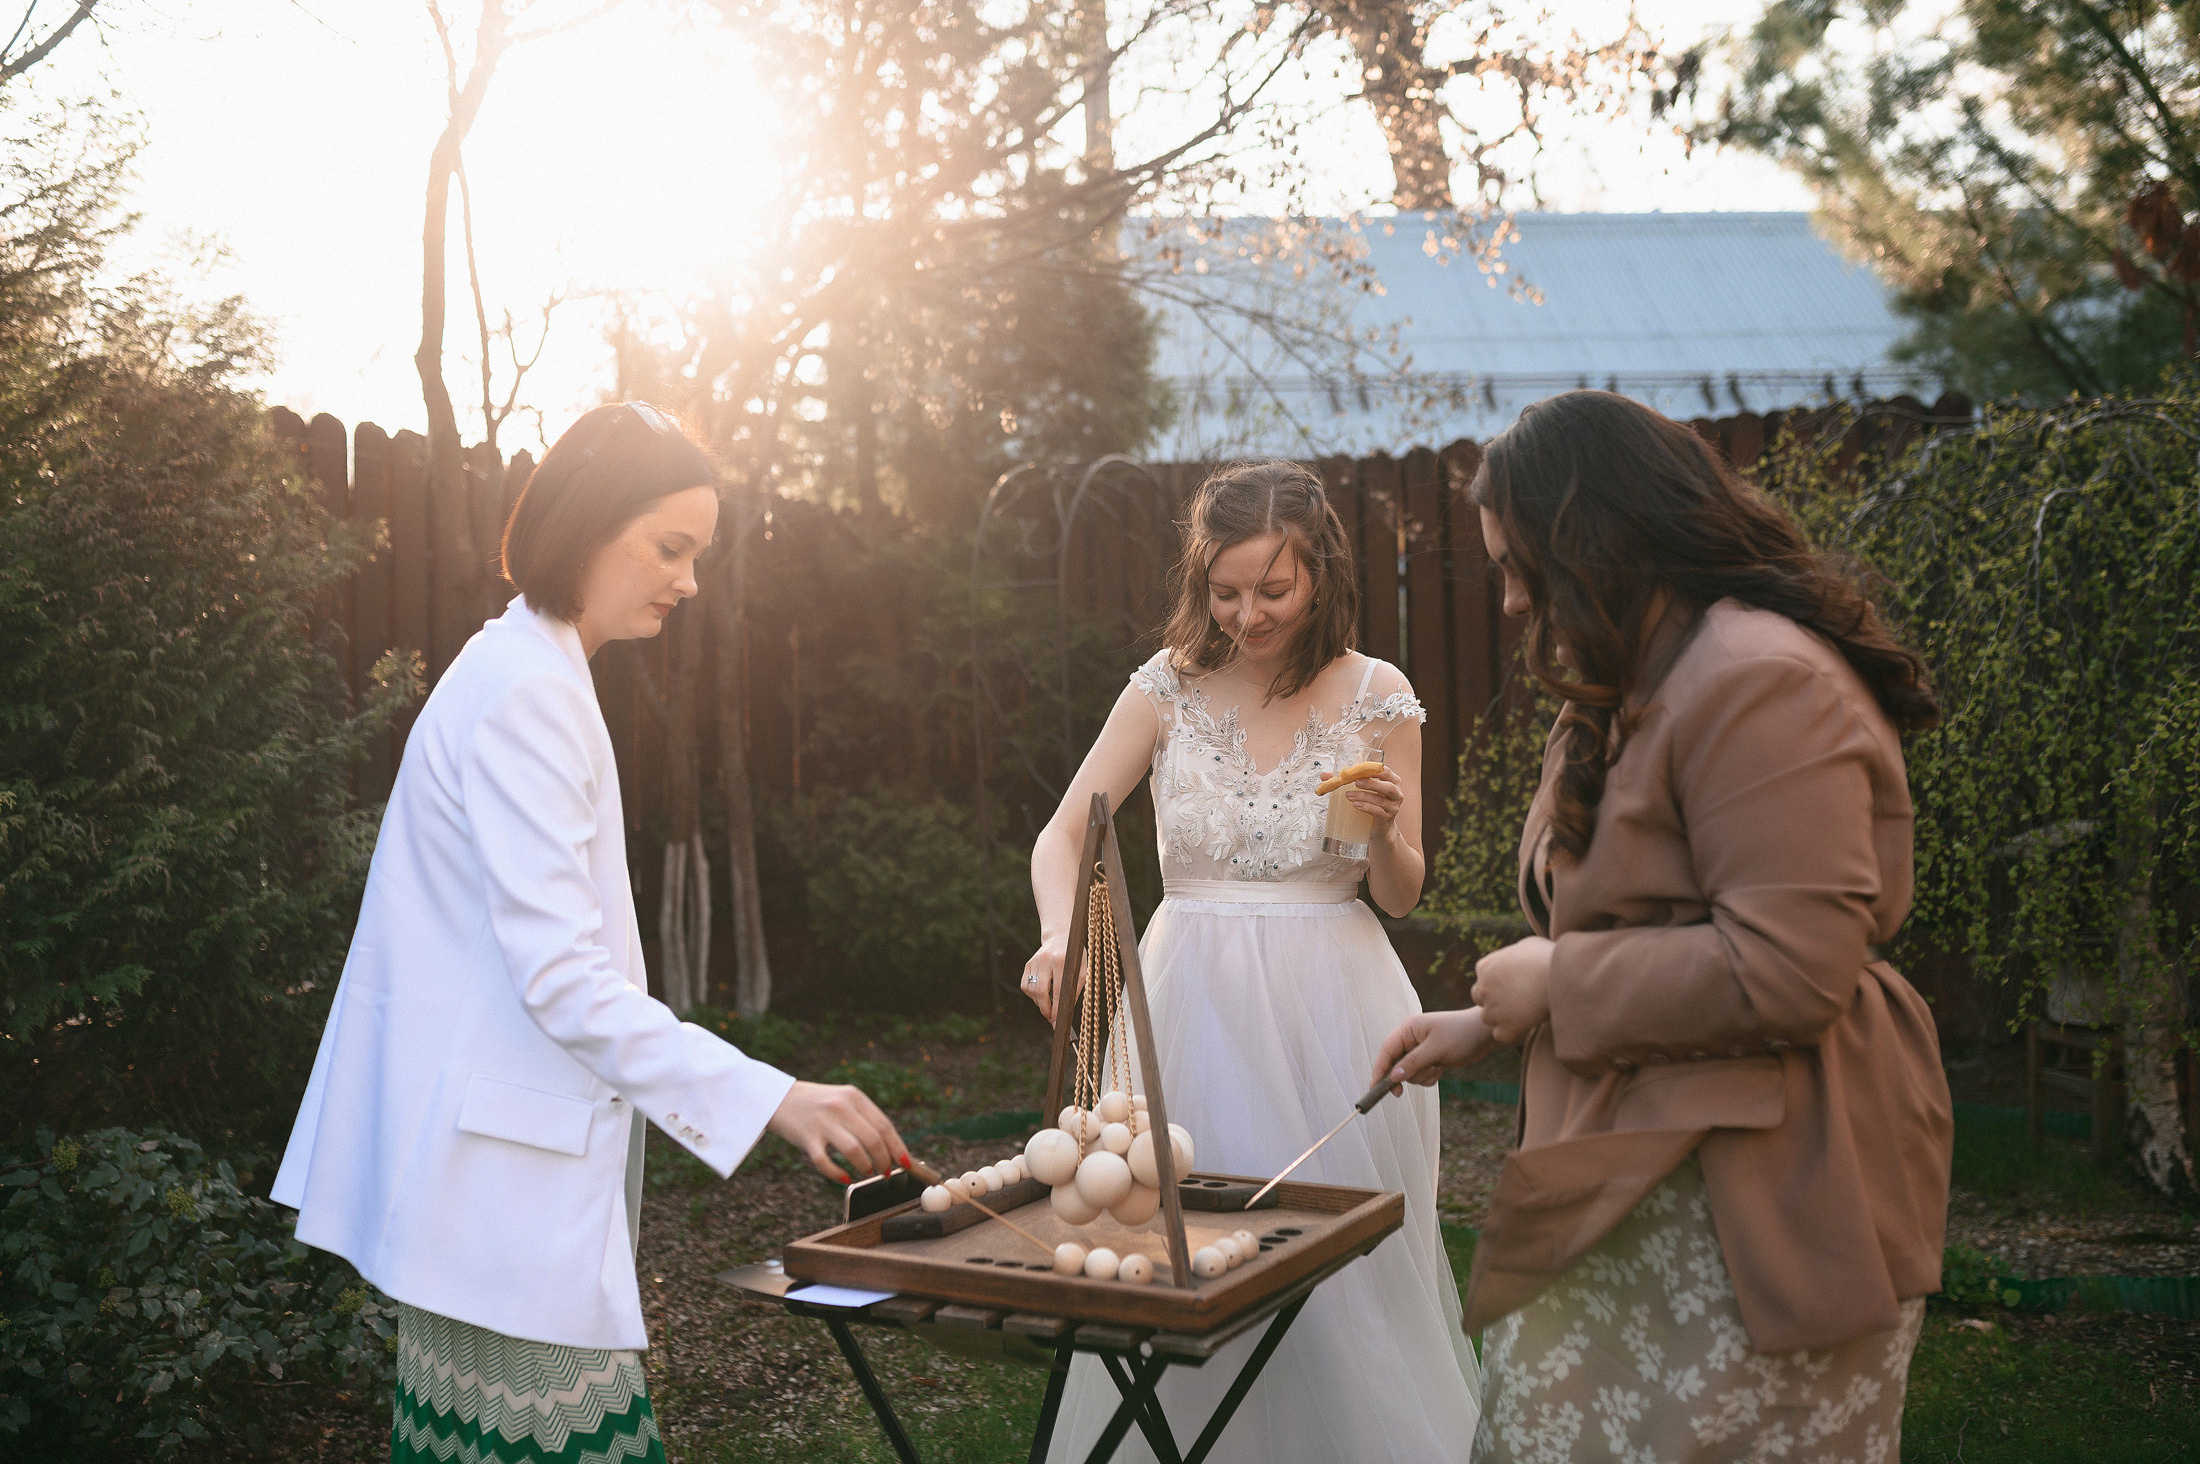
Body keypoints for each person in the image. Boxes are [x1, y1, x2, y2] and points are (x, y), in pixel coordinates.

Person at [273, 403, 905, 1464]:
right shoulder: (528, 693)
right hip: (497, 1193)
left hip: (482, 1186)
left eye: (697, 554)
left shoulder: (521, 663)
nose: (689, 581)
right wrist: (775, 1096)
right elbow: (561, 980)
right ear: (588, 523)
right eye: (671, 547)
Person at [1373, 390, 1953, 1463]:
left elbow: (1790, 969)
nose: (1506, 601)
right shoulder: (1631, 674)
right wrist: (1489, 1023)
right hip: (1628, 1171)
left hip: (1748, 1198)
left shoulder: (1759, 682)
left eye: (1515, 565)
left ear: (1586, 538)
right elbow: (1644, 920)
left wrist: (1559, 988)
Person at [1022, 460, 1482, 1463]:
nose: (1247, 614)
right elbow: (1063, 835)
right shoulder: (1166, 686)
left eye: (1272, 591)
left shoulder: (1378, 692)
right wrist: (1061, 935)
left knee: (1335, 1282)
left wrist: (1389, 834)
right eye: (1225, 592)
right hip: (1188, 1003)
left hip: (1337, 1004)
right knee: (1178, 1250)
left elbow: (1400, 895)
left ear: (1320, 574)